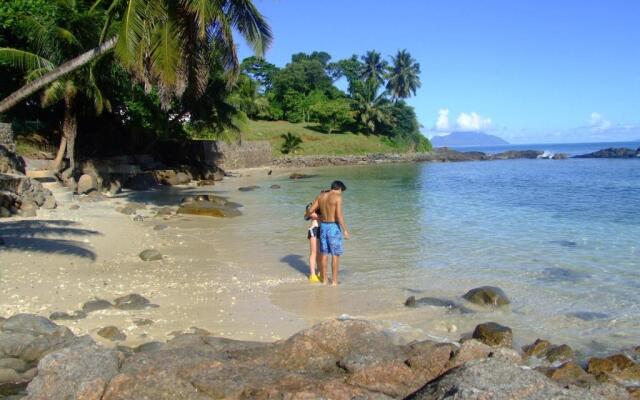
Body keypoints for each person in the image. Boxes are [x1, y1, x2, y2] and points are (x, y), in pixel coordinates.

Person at [305, 181, 349, 286]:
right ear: (339, 189)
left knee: (324, 254)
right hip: (333, 227)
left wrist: (316, 216)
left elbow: (310, 211)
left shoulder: (321, 196)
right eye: (341, 191)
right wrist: (345, 230)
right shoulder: (337, 196)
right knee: (335, 255)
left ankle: (324, 281)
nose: (341, 193)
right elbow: (339, 215)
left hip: (323, 227)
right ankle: (334, 282)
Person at [305, 202, 321, 283]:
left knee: (319, 253)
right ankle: (312, 275)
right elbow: (307, 216)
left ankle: (319, 272)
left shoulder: (324, 205)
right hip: (313, 229)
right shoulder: (312, 205)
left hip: (321, 230)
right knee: (313, 253)